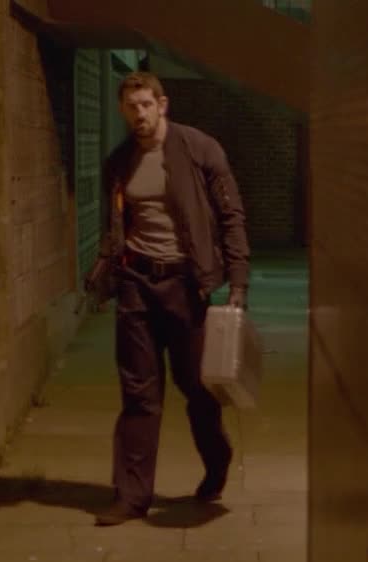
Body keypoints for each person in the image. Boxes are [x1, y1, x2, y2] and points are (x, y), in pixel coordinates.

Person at [86, 71, 251, 526]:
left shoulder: (200, 149)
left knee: (197, 387)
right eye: (131, 107)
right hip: (136, 283)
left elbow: (231, 216)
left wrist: (238, 283)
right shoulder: (120, 162)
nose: (139, 114)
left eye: (146, 104)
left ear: (162, 104)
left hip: (185, 285)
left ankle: (216, 458)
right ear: (122, 110)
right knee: (139, 393)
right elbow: (117, 223)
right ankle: (131, 496)